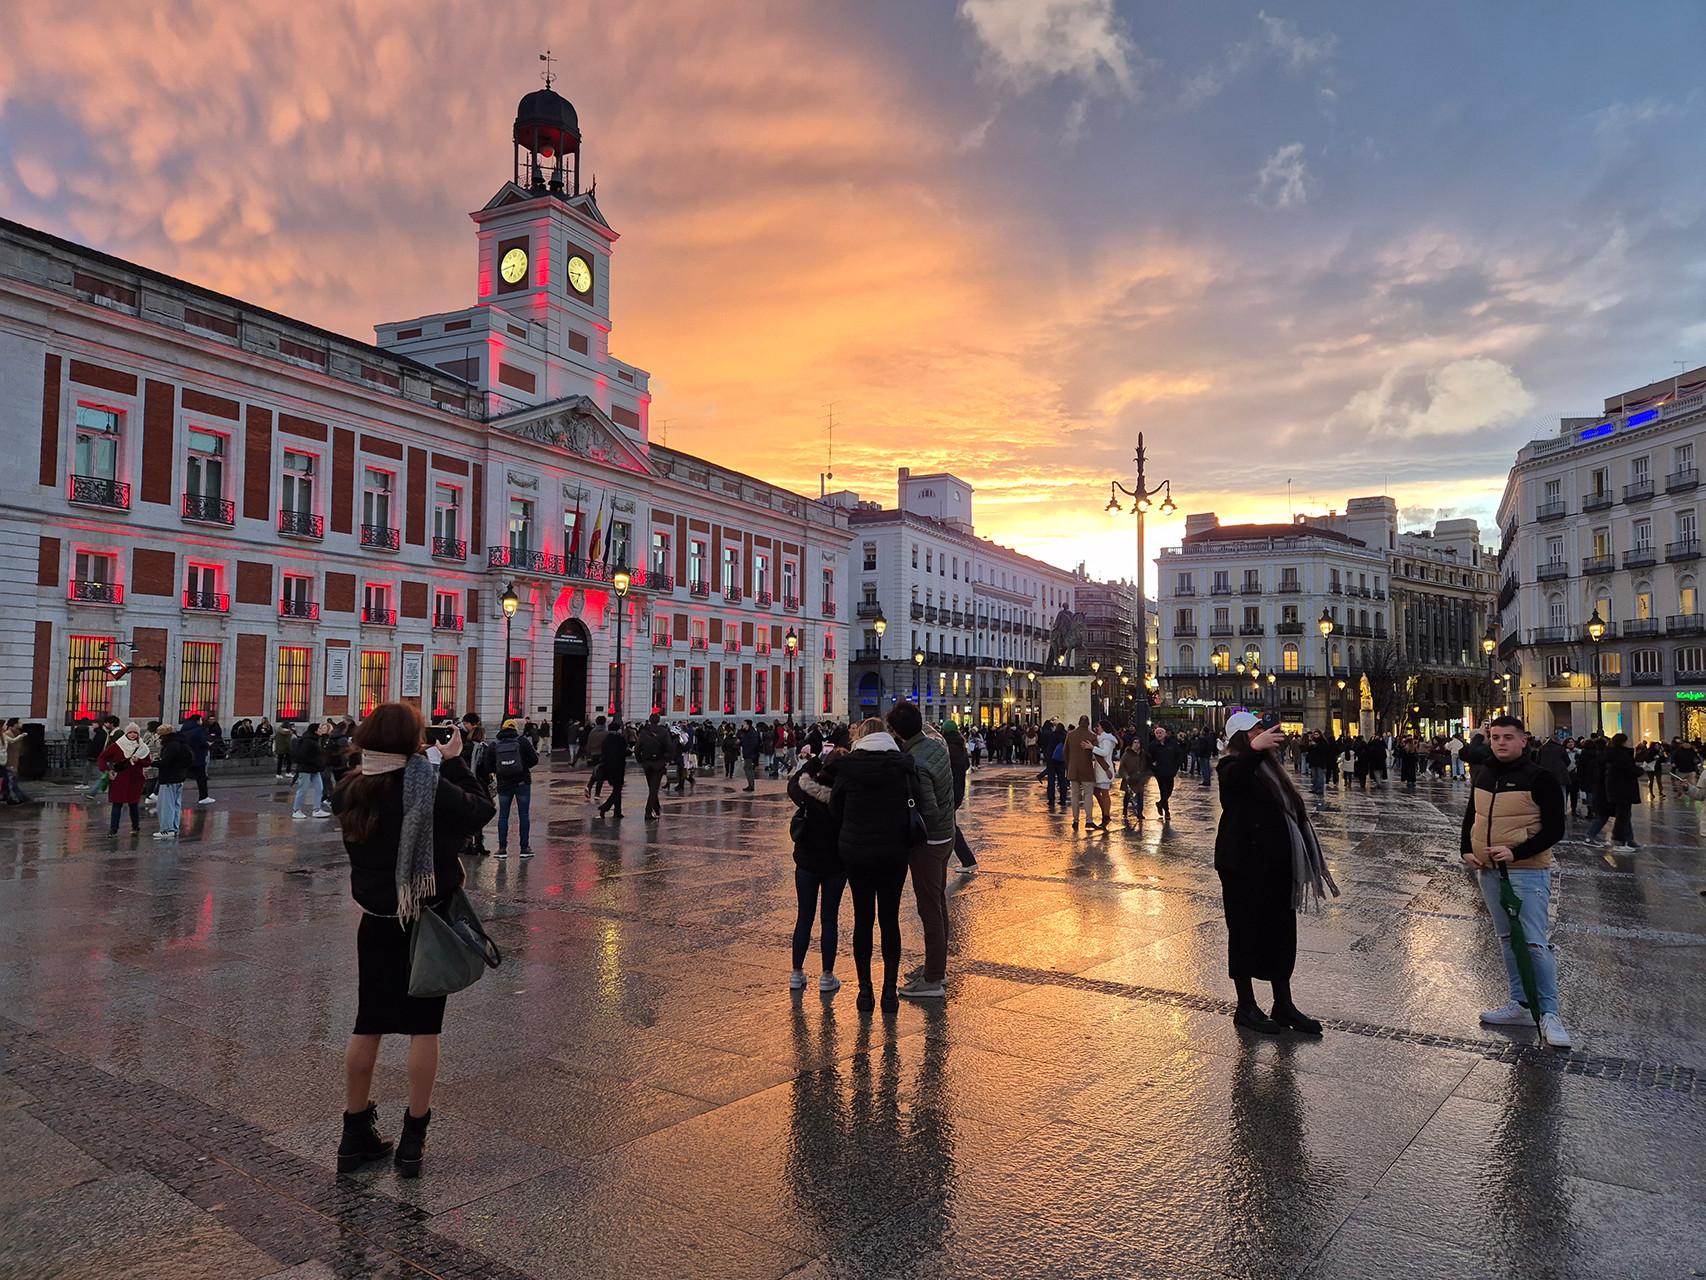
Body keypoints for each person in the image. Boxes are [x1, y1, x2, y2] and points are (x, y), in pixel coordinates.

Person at [331, 703, 493, 1178]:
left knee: (368, 1024)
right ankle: (412, 1142)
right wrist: (458, 760)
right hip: (427, 922)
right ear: (411, 742)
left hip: (377, 922)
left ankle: (352, 1135)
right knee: (426, 1027)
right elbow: (479, 809)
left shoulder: (349, 790)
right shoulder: (428, 789)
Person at [1214, 711, 1338, 1036]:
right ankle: (1246, 1006)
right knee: (1244, 934)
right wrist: (1254, 752)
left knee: (1281, 934)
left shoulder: (1271, 768)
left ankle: (1283, 1004)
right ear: (1242, 738)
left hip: (1276, 868)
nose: (1262, 733)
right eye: (1255, 730)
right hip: (1243, 866)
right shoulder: (1231, 766)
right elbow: (1233, 784)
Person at [1459, 714, 1570, 1049]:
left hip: (1527, 870)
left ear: (1524, 740)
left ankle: (1550, 1013)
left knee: (1534, 942)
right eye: (1495, 737)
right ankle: (1520, 1004)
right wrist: (1466, 848)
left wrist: (1517, 851)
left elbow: (1555, 829)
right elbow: (1472, 814)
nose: (1501, 743)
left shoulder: (1540, 778)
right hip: (1488, 870)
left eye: (1508, 737)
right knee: (1507, 938)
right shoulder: (1484, 773)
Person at [829, 717, 916, 1013]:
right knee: (890, 920)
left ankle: (865, 992)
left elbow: (835, 810)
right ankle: (889, 993)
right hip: (894, 853)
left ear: (860, 738)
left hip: (858, 854)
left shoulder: (848, 767)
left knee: (863, 919)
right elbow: (915, 803)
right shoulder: (903, 766)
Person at [889, 702, 954, 999]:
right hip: (947, 835)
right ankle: (936, 964)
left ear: (898, 732)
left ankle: (933, 978)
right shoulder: (936, 745)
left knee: (929, 908)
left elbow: (926, 808)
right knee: (938, 902)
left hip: (930, 842)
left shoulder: (915, 760)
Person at [787, 741, 847, 993]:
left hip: (807, 863)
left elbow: (794, 783)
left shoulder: (808, 791)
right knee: (829, 919)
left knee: (804, 917)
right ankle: (826, 975)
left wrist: (815, 759)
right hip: (835, 863)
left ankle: (797, 972)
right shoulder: (846, 795)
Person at [491, 718, 540, 857]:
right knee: (523, 815)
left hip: (503, 784)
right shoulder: (522, 741)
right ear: (515, 728)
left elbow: (488, 763)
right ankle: (524, 848)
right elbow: (535, 759)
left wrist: (499, 770)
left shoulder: (495, 743)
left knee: (503, 816)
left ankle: (502, 849)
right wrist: (522, 767)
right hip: (522, 783)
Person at [1590, 732, 1642, 851]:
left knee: (1623, 815)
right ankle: (1619, 841)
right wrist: (1640, 770)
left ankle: (1628, 839)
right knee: (1622, 815)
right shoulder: (1620, 755)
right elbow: (1629, 769)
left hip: (1615, 789)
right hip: (1622, 790)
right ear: (1623, 742)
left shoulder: (1611, 754)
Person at [97, 723, 152, 835]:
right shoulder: (118, 745)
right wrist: (106, 770)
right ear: (126, 733)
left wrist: (139, 761)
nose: (132, 735)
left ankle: (135, 827)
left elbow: (148, 762)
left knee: (133, 804)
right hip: (119, 778)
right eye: (130, 732)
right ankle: (113, 829)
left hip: (135, 779)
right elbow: (102, 757)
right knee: (117, 804)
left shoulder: (143, 747)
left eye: (135, 733)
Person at [942, 724, 978, 872]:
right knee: (951, 825)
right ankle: (967, 860)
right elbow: (966, 766)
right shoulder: (961, 746)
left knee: (950, 826)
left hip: (948, 792)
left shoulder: (946, 748)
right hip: (958, 792)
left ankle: (968, 860)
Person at [151, 723, 192, 839]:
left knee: (166, 805)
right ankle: (174, 828)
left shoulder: (170, 745)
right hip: (179, 777)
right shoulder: (180, 743)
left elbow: (165, 763)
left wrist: (152, 762)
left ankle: (166, 830)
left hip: (169, 778)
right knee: (175, 804)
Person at [1063, 716, 1099, 832]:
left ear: (1078, 723)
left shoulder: (1070, 735)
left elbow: (1065, 752)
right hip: (1087, 769)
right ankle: (1088, 821)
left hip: (1073, 769)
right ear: (1088, 724)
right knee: (1088, 795)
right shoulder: (1092, 736)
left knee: (1074, 795)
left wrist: (1069, 765)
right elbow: (1097, 753)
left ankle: (1075, 820)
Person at [635, 713, 671, 820]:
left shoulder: (644, 732)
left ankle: (656, 808)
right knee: (654, 789)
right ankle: (648, 812)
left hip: (647, 763)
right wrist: (666, 760)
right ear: (659, 720)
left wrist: (640, 760)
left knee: (652, 787)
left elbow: (637, 748)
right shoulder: (663, 732)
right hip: (658, 763)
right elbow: (669, 747)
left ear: (649, 720)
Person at [1148, 725, 1184, 822]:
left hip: (1170, 771)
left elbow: (1179, 754)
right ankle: (1167, 812)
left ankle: (1160, 803)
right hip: (1160, 772)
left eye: (1161, 733)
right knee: (1163, 791)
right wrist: (1153, 768)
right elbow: (1148, 758)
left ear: (1164, 734)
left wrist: (1176, 766)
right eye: (1157, 733)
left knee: (1169, 790)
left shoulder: (1172, 744)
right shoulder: (1153, 745)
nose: (1159, 735)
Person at [291, 721, 325, 818]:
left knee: (320, 788)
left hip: (314, 768)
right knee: (303, 789)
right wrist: (318, 762)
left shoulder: (314, 739)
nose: (322, 730)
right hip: (306, 769)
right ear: (315, 730)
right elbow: (305, 755)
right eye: (320, 728)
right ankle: (296, 810)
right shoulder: (308, 741)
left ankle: (317, 809)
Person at [179, 713, 214, 805]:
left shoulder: (184, 729)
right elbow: (202, 742)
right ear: (198, 720)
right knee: (201, 778)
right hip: (198, 757)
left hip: (186, 757)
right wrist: (208, 745)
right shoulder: (198, 730)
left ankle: (164, 794)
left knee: (180, 778)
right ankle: (203, 796)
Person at [597, 719, 628, 818]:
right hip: (618, 767)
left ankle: (617, 812)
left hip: (608, 767)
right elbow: (624, 752)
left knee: (617, 789)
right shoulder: (620, 739)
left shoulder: (606, 740)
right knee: (617, 789)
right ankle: (605, 807)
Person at [1092, 719, 1119, 828]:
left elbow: (1104, 752)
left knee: (1104, 792)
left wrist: (1092, 748)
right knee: (1097, 791)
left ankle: (1106, 815)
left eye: (1098, 726)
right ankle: (1105, 813)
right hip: (1100, 769)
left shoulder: (1107, 739)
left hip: (1105, 770)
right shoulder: (1103, 738)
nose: (1096, 728)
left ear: (1103, 727)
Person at [1117, 736, 1147, 826]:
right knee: (1127, 795)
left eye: (1138, 743)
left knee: (1140, 796)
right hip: (1129, 779)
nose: (1137, 744)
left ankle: (1140, 813)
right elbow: (1122, 767)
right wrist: (1126, 775)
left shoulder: (1143, 754)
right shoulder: (1127, 754)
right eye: (1135, 742)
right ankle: (1125, 811)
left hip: (1139, 779)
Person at [3, 718, 30, 804]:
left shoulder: (15, 734)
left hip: (13, 761)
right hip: (9, 762)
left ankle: (17, 796)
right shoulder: (7, 735)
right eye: (18, 723)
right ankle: (16, 797)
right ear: (13, 725)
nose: (20, 725)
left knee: (12, 781)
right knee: (11, 781)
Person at [739, 720, 761, 791]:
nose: (743, 725)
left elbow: (753, 744)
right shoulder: (748, 732)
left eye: (744, 724)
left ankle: (751, 785)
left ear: (748, 725)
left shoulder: (751, 733)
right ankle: (751, 785)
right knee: (749, 769)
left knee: (747, 768)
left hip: (749, 754)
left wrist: (748, 752)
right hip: (749, 753)